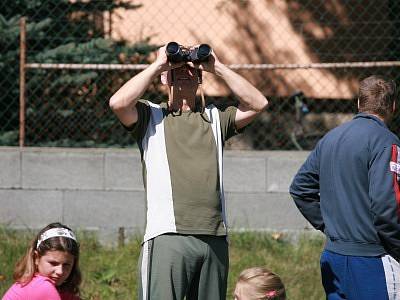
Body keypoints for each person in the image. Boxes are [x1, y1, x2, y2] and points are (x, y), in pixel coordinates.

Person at [109, 43, 268, 300]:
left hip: (214, 236)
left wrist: (216, 66)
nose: (184, 70)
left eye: (191, 68)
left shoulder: (216, 119)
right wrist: (160, 64)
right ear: (164, 77)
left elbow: (258, 103)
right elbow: (118, 103)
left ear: (200, 78)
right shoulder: (151, 116)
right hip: (167, 236)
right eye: (176, 67)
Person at [289, 75, 400, 299]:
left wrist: (329, 227)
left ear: (359, 103)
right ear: (393, 107)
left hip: (334, 257)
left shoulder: (330, 138)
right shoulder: (387, 141)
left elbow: (300, 188)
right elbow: (386, 204)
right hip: (373, 259)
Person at [2, 222, 81, 300]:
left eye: (66, 265)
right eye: (53, 263)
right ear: (36, 258)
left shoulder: (39, 284)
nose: (60, 271)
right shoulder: (43, 288)